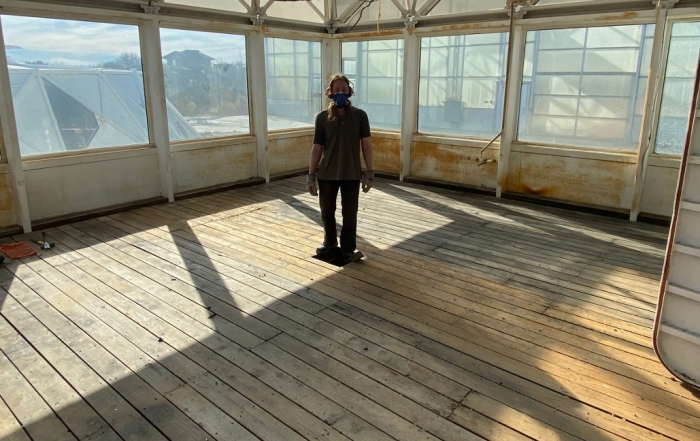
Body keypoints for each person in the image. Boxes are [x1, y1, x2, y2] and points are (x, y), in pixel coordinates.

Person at [306, 73, 374, 264]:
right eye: (337, 90)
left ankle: (348, 248)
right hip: (327, 174)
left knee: (350, 214)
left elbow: (366, 145)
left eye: (344, 89)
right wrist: (311, 176)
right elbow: (317, 148)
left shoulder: (360, 116)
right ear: (329, 93)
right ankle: (329, 243)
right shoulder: (322, 118)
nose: (341, 93)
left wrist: (369, 173)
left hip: (351, 174)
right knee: (327, 212)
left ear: (350, 91)